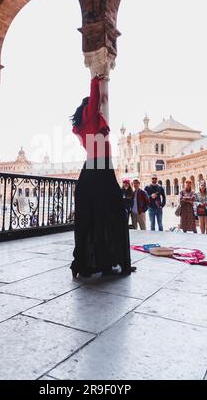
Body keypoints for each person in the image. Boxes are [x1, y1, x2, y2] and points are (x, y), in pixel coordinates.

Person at [70, 75, 135, 278]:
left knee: (98, 218)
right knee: (112, 215)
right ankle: (110, 261)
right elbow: (95, 98)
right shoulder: (90, 118)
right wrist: (96, 81)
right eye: (93, 106)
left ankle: (100, 262)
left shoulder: (87, 124)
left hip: (95, 169)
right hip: (100, 170)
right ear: (88, 109)